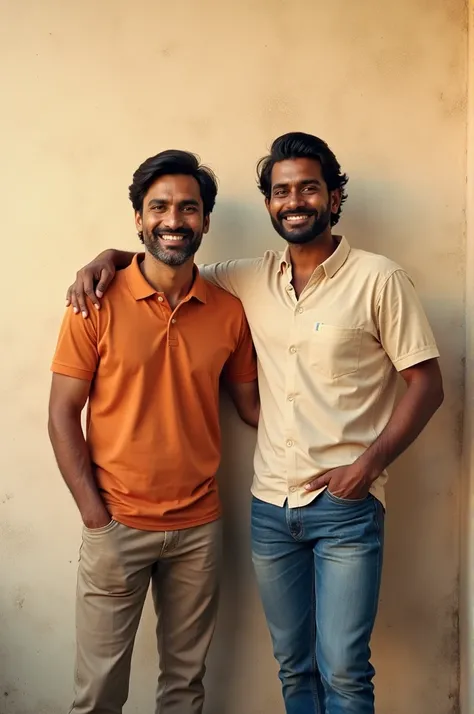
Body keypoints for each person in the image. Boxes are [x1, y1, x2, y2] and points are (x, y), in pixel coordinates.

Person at [64, 132, 444, 714]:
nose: (295, 201)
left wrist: (367, 465)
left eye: (309, 188)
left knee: (342, 670)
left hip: (339, 507)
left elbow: (428, 383)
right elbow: (167, 260)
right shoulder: (246, 278)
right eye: (282, 190)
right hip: (267, 508)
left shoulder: (376, 279)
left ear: (335, 198)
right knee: (292, 670)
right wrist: (107, 259)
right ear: (268, 203)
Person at [48, 149, 259, 714]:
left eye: (188, 208)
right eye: (158, 207)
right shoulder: (94, 302)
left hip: (199, 530)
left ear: (205, 221)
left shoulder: (228, 311)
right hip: (116, 523)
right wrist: (95, 514)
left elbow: (254, 408)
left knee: (184, 690)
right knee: (98, 696)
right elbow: (63, 413)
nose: (173, 220)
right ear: (139, 219)